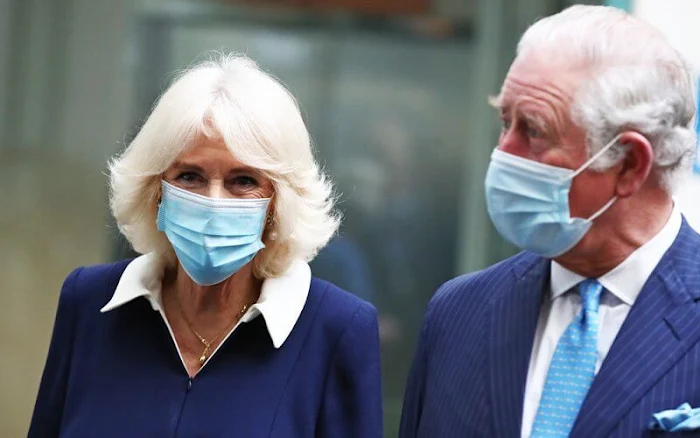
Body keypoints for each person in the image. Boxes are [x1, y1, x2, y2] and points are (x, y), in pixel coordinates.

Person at [29, 54, 382, 438]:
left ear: (278, 203)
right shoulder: (89, 302)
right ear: (156, 191)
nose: (214, 202)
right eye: (190, 176)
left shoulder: (336, 329)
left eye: (243, 180)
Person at [400, 5, 700, 438]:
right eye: (505, 122)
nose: (503, 152)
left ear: (630, 164)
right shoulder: (458, 313)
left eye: (534, 131)